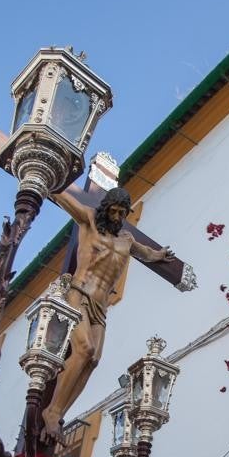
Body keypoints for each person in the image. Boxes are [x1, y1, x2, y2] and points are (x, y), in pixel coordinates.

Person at [42, 187, 176, 442]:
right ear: (106, 208)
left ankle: (59, 412)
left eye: (121, 212)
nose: (116, 216)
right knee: (83, 350)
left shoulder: (126, 239)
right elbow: (65, 201)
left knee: (92, 360)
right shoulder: (90, 220)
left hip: (101, 307)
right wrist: (52, 182)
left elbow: (145, 253)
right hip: (79, 294)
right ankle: (52, 410)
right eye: (113, 210)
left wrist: (160, 255)